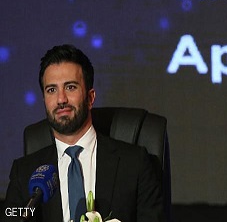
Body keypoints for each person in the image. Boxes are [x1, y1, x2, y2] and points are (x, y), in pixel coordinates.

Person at [3, 44, 165, 222]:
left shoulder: (135, 163)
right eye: (51, 90)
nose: (61, 99)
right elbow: (11, 216)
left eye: (70, 87)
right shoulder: (24, 172)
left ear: (90, 98)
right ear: (44, 100)